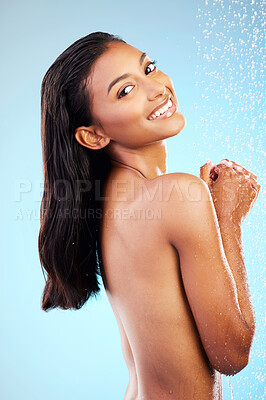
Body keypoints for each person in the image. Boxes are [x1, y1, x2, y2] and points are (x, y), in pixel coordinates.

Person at [38, 32, 260, 400]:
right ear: (93, 135)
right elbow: (232, 355)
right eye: (125, 91)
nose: (156, 88)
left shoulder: (109, 199)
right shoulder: (178, 194)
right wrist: (228, 221)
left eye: (149, 68)